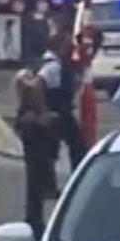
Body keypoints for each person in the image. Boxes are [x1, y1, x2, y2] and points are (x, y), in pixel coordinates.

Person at [14, 66, 57, 241]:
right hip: (37, 154)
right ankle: (34, 222)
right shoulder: (29, 114)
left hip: (41, 153)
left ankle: (35, 220)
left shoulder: (30, 110)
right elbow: (32, 125)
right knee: (36, 186)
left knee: (37, 188)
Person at [39, 32, 86, 170]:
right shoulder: (52, 66)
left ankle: (49, 182)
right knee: (76, 145)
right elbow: (39, 84)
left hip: (59, 110)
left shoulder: (59, 63)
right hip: (58, 111)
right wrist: (44, 111)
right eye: (67, 44)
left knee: (52, 150)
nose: (70, 47)